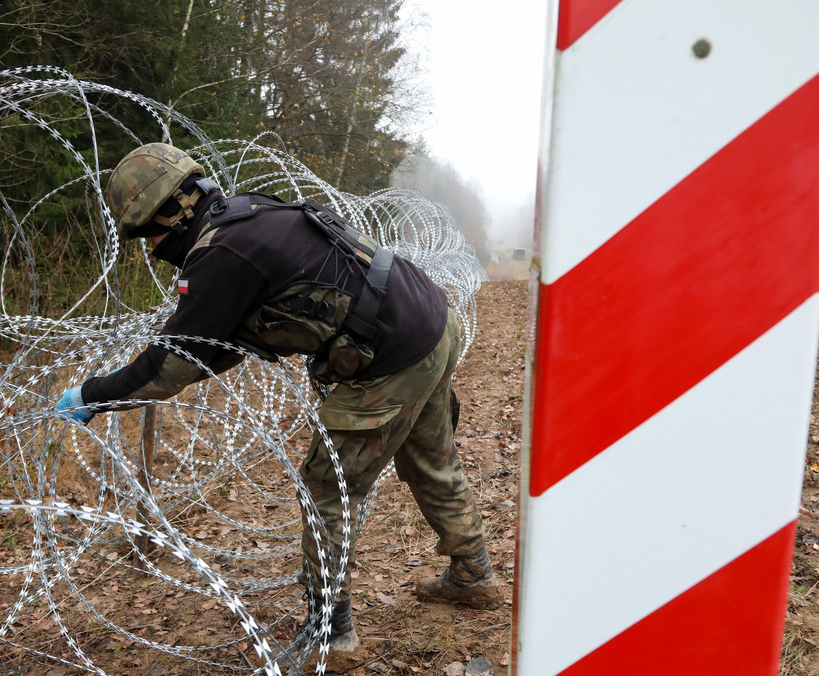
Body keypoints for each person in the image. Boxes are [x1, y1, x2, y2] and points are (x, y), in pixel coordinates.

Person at [55, 143, 500, 665]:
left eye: (147, 231)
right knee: (431, 456)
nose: (150, 245)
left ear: (174, 213)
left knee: (328, 487)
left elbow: (168, 369)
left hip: (391, 353)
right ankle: (473, 573)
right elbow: (219, 346)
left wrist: (93, 394)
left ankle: (331, 633)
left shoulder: (221, 255)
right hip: (427, 318)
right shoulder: (252, 213)